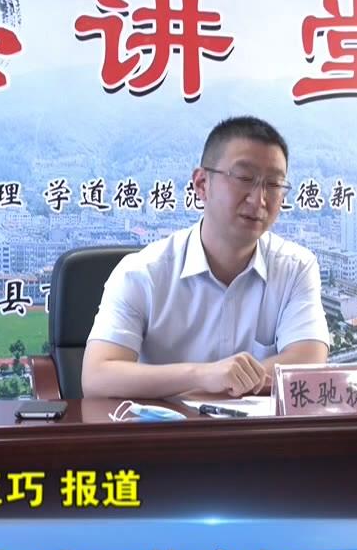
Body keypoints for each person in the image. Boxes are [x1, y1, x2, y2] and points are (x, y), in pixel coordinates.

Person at [81, 116, 330, 399]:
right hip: (167, 426)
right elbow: (97, 377)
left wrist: (221, 385)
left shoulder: (295, 267)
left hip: (259, 428)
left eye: (273, 184)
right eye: (244, 179)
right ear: (202, 184)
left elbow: (308, 362)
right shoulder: (141, 273)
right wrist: (202, 375)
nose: (259, 199)